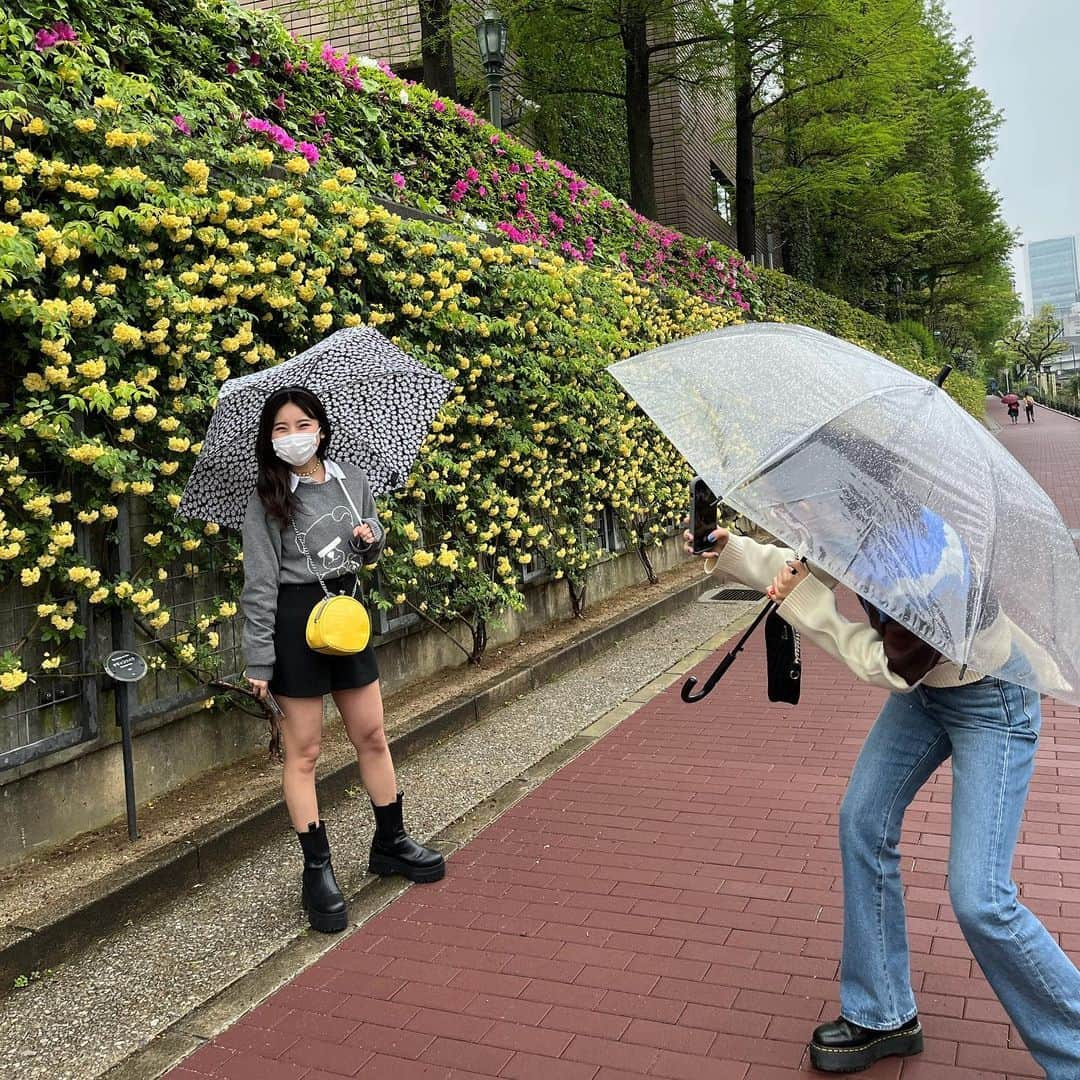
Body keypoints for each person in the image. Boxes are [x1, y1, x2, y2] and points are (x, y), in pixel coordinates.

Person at [685, 525, 1080, 1077]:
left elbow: (891, 668)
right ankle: (883, 1013)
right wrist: (732, 550)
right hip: (931, 690)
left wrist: (807, 607)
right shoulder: (863, 511)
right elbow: (813, 559)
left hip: (992, 696)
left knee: (981, 898)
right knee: (863, 821)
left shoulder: (928, 553)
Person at [242, 386, 444, 934]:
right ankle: (317, 871)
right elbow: (259, 583)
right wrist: (259, 658)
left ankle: (392, 841)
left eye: (301, 425)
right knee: (304, 751)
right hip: (293, 623)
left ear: (321, 428)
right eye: (279, 429)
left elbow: (369, 553)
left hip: (346, 614)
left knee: (372, 734)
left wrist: (370, 537)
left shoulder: (353, 482)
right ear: (269, 438)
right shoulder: (265, 498)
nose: (292, 437)